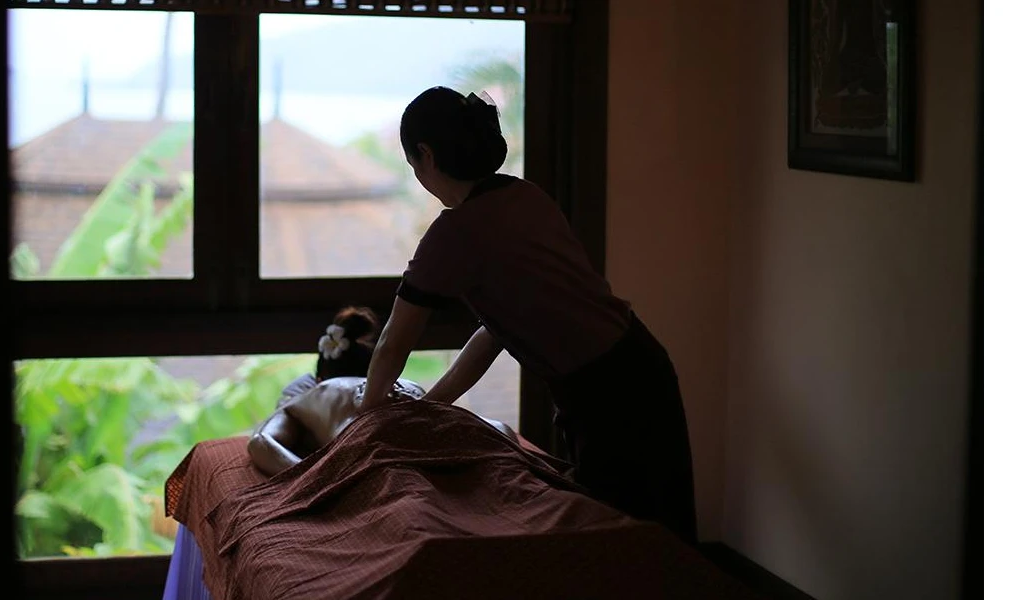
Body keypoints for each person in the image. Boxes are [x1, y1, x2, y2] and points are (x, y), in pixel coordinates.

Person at [354, 86, 698, 544]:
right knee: (653, 542)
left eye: (413, 164)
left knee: (623, 547)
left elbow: (394, 344)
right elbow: (495, 332)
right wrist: (431, 405)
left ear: (426, 154)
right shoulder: (525, 196)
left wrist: (367, 417)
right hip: (637, 365)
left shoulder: (454, 234)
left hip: (611, 394)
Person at [247, 306, 516, 476]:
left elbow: (261, 443)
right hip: (430, 424)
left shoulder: (313, 395)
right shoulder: (408, 388)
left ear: (319, 377)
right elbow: (501, 431)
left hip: (373, 441)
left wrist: (309, 476)